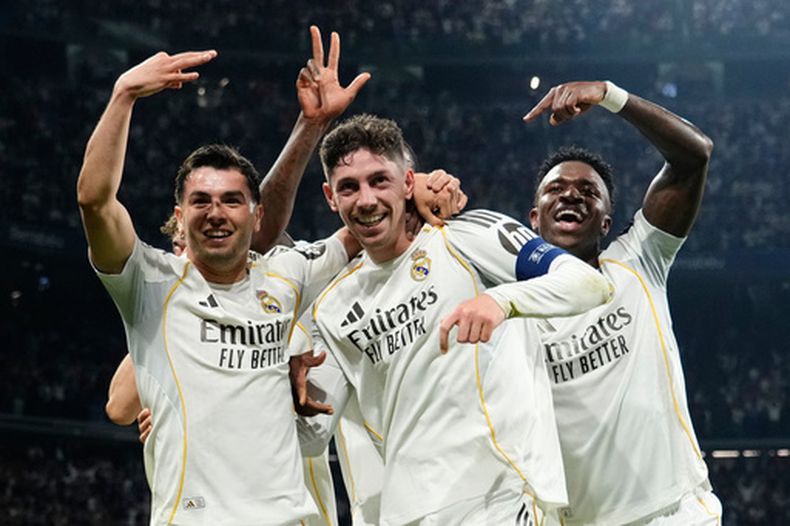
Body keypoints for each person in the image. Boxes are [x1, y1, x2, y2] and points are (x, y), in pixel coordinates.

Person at [78, 26, 370, 525]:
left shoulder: (287, 275)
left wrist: (421, 184)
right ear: (180, 215)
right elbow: (95, 200)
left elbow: (367, 221)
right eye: (201, 202)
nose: (216, 213)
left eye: (232, 200)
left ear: (255, 217)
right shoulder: (152, 285)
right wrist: (123, 94)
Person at [294, 113, 613, 525]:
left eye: (380, 181)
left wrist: (502, 302)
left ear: (409, 182)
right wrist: (284, 384)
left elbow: (588, 283)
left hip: (502, 499)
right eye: (349, 188)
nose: (367, 200)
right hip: (406, 513)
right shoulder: (333, 306)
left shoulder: (467, 235)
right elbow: (311, 437)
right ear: (330, 197)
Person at [523, 80, 721, 525]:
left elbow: (694, 156)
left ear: (608, 222)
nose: (571, 194)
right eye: (555, 189)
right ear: (534, 219)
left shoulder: (637, 260)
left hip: (673, 514)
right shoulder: (511, 306)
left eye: (588, 191)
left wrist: (611, 95)